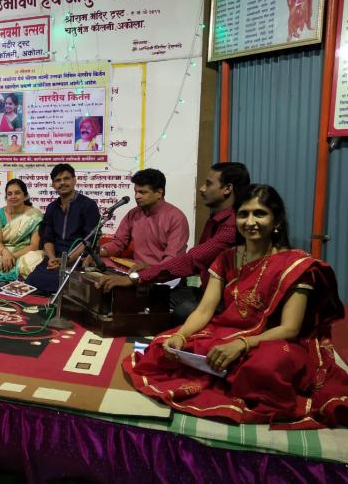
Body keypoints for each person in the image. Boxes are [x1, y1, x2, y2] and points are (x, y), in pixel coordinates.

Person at [123, 184, 348, 429]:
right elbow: (205, 310)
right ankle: (228, 374)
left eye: (259, 214)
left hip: (271, 339)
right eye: (243, 214)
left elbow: (290, 328)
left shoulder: (295, 265)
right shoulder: (227, 257)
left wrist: (242, 344)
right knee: (162, 346)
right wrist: (181, 335)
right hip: (228, 330)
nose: (250, 222)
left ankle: (234, 376)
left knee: (267, 366)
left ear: (276, 221)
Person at [98, 162, 250, 320]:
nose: (202, 188)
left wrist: (136, 278)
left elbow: (191, 261)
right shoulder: (215, 219)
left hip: (224, 298)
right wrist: (98, 252)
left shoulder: (230, 226)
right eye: (136, 191)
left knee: (181, 309)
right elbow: (118, 243)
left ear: (227, 188)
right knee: (151, 299)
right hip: (195, 288)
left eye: (208, 184)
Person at [89, 168, 188, 268]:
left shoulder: (176, 218)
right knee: (99, 262)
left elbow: (173, 258)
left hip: (162, 272)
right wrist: (95, 253)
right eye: (135, 192)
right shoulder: (133, 214)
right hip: (136, 270)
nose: (137, 196)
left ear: (159, 192)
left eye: (142, 192)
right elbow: (118, 244)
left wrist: (149, 270)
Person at [25, 164, 101, 293]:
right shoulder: (52, 208)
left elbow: (89, 240)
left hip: (78, 259)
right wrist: (52, 258)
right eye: (58, 180)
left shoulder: (88, 205)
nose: (62, 183)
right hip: (55, 258)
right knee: (33, 281)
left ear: (74, 180)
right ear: (53, 185)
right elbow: (47, 238)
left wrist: (68, 260)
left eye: (66, 178)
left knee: (64, 284)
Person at [0, 179, 44, 281]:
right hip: (3, 251)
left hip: (24, 252)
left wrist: (11, 257)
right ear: (6, 197)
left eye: (17, 193)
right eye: (9, 194)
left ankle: (13, 272)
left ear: (25, 195)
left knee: (34, 259)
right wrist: (6, 253)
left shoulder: (35, 215)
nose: (13, 196)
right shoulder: (0, 214)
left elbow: (34, 245)